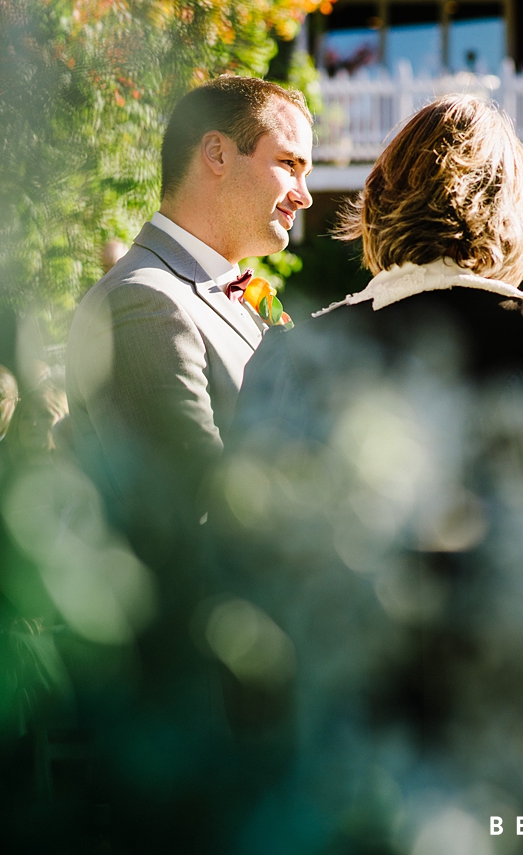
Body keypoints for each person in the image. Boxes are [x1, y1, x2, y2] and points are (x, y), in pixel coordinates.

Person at [220, 95, 523, 850]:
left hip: (356, 761)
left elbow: (252, 560)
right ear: (510, 209)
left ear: (380, 205)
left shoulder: (300, 358)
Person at [66, 74, 313, 552]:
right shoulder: (144, 302)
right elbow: (204, 505)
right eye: (289, 164)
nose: (303, 195)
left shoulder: (220, 295)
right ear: (217, 153)